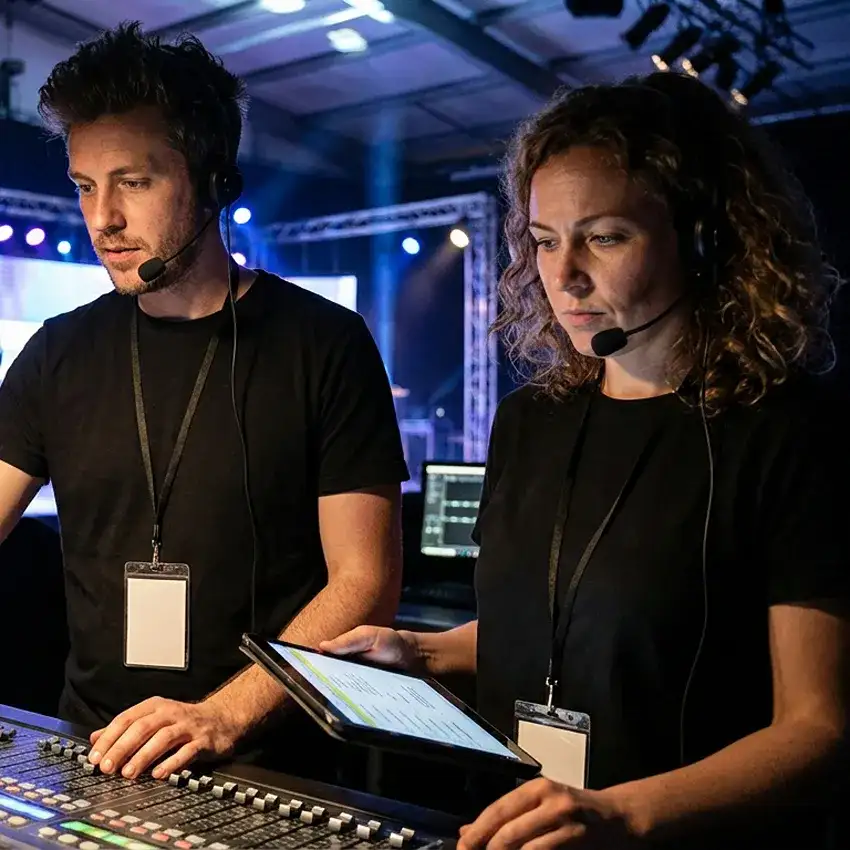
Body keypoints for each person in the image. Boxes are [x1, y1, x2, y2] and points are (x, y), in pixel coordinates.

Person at [322, 72, 849, 848]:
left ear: (703, 238)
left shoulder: (792, 434)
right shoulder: (530, 421)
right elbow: (545, 631)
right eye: (543, 240)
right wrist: (420, 650)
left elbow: (821, 729)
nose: (562, 275)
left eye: (603, 237)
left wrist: (624, 811)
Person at [0, 22, 408, 783]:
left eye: (135, 181)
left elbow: (364, 583)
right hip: (97, 757)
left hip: (279, 767)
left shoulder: (325, 343)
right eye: (86, 186)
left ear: (215, 178)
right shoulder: (57, 351)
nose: (102, 219)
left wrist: (222, 715)